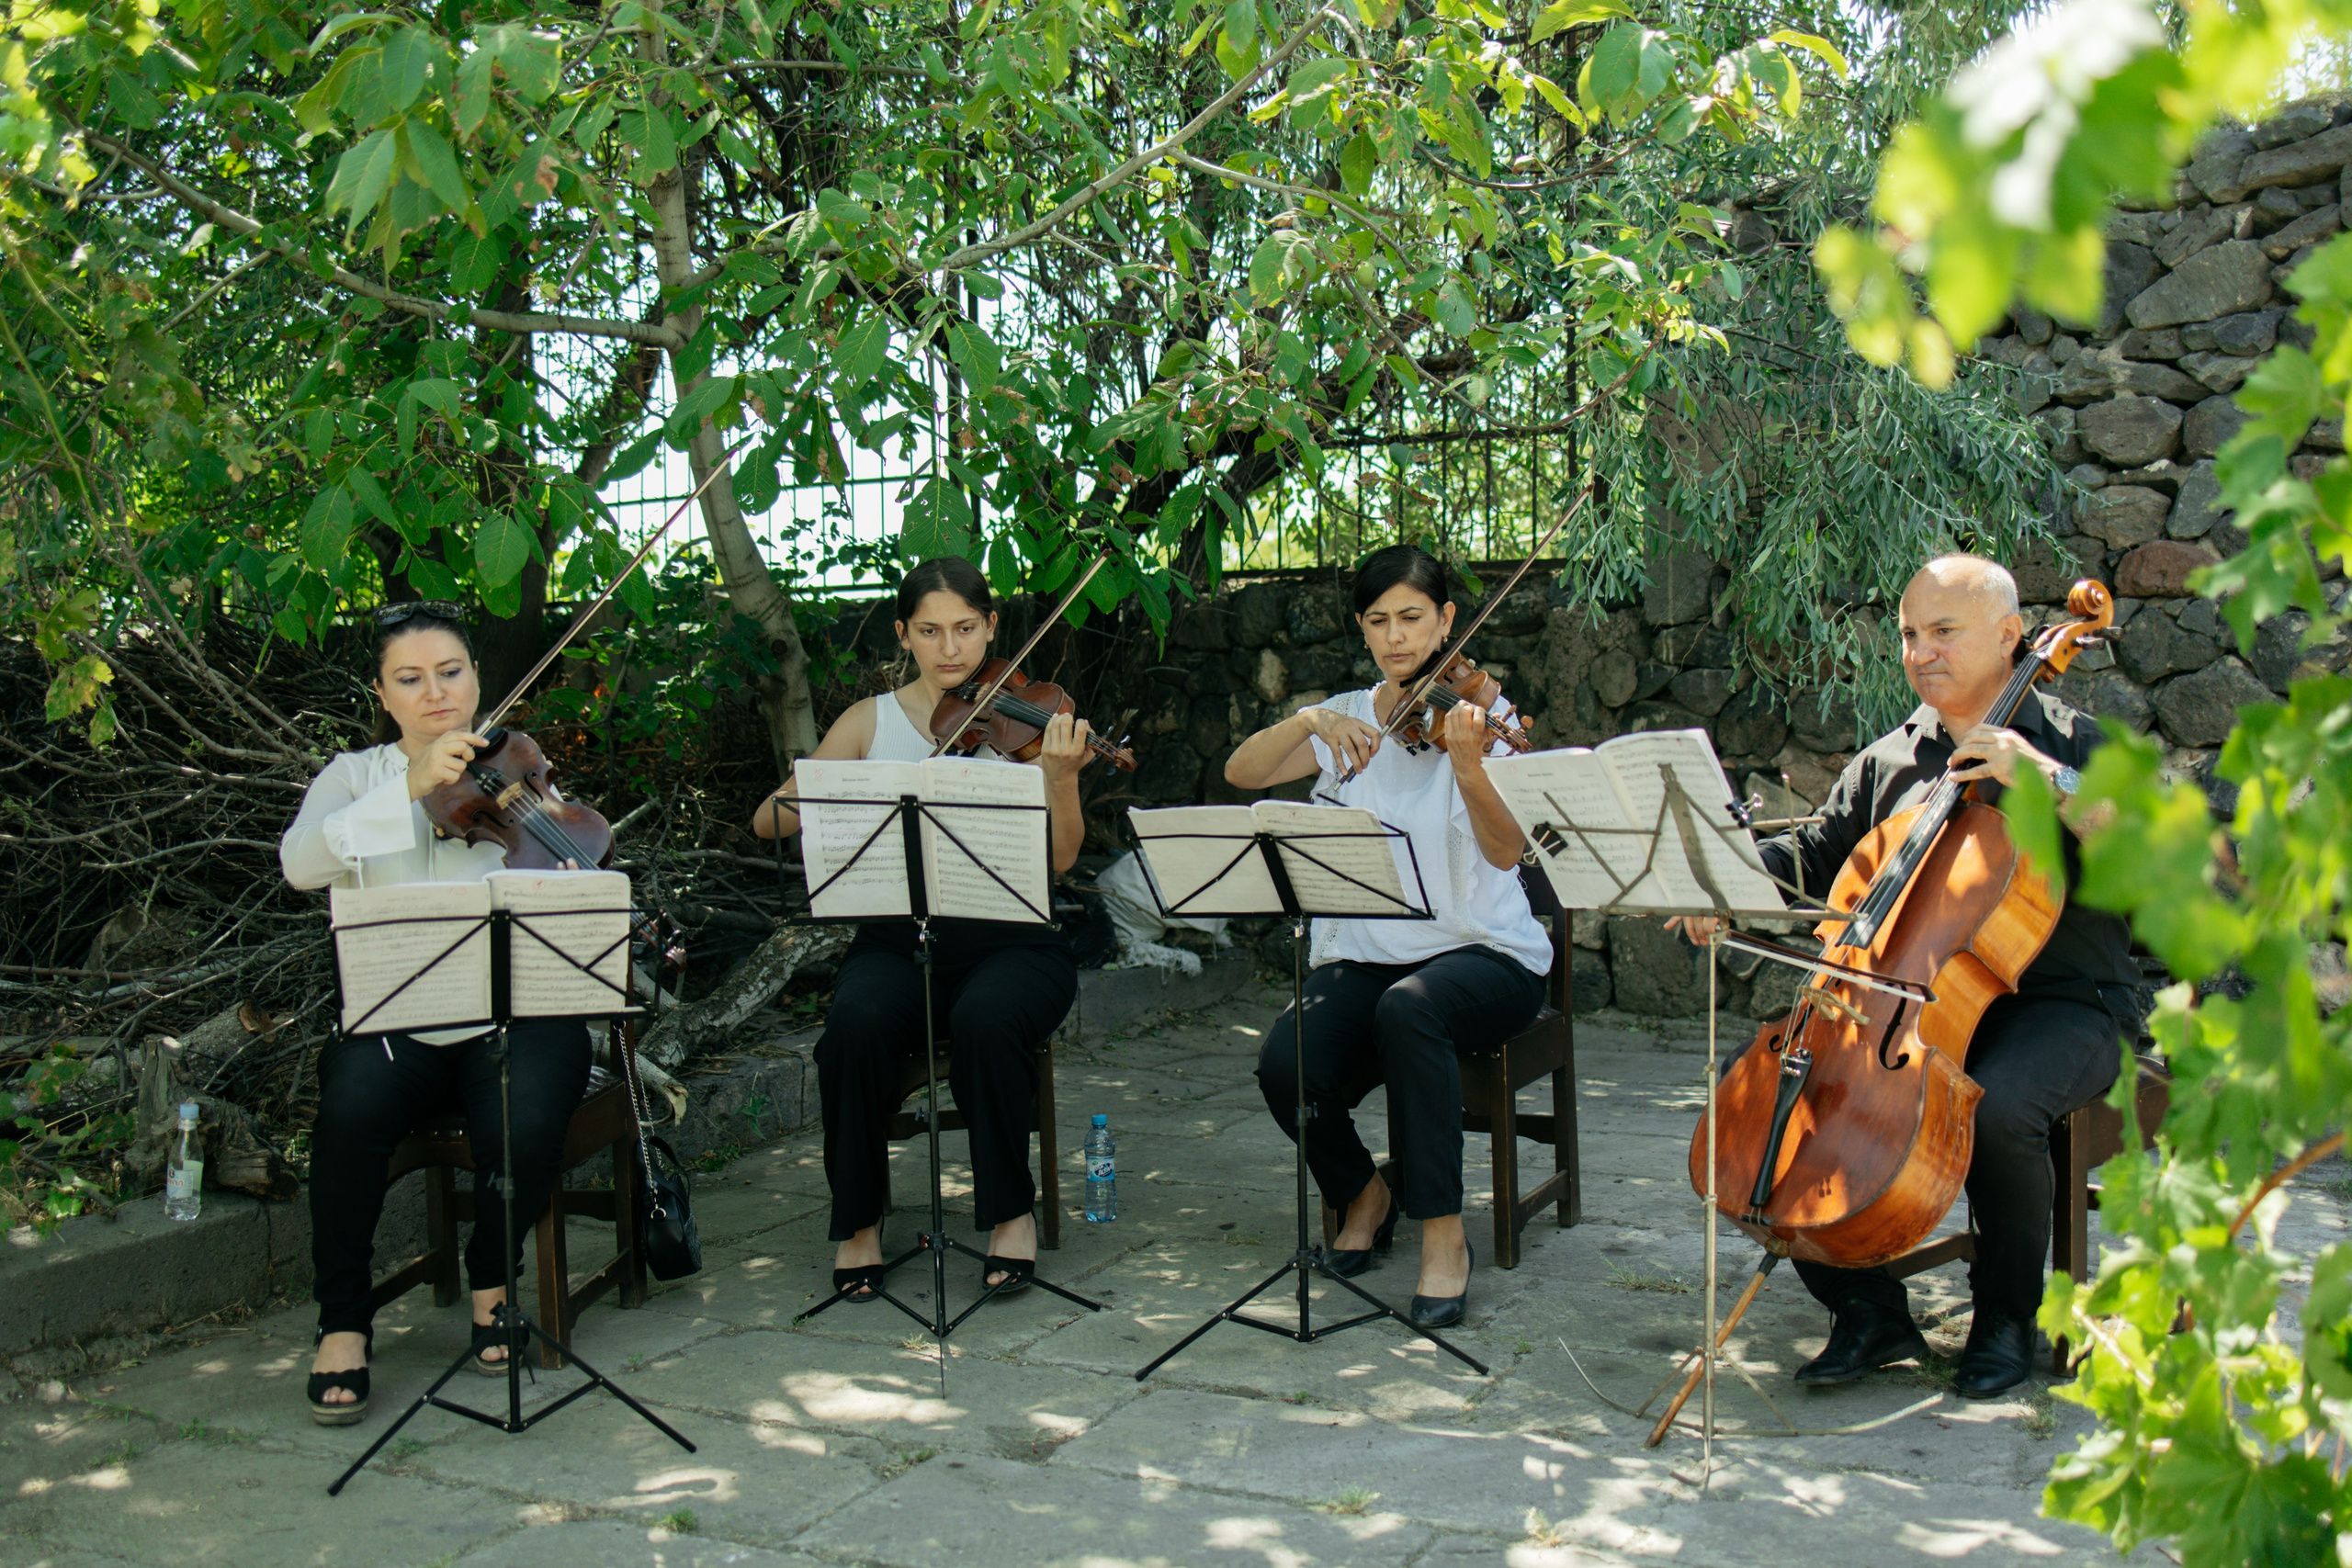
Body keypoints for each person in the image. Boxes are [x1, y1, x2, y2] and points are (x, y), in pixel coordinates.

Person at [1668, 554, 2139, 1400]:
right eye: (1910, 635)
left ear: (2009, 635)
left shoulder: (2076, 741)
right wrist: (1722, 883)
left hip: (2065, 1003)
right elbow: (1811, 852)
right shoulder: (1894, 759)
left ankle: (2004, 1316)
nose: (1921, 652)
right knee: (1770, 1103)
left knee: (1998, 1107)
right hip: (1905, 1003)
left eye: (1943, 632)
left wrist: (2047, 778)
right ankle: (1868, 1310)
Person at [1221, 545, 1551, 1330]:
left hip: (1486, 953)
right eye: (1378, 620)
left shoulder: (1481, 715)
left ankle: (1444, 1235)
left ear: (1445, 620)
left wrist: (1469, 765)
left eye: (1412, 617)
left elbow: (1509, 852)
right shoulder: (1347, 714)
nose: (1397, 636)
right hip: (1367, 954)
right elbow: (1242, 772)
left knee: (1413, 1010)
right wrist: (1309, 719)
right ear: (1362, 628)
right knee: (1284, 1061)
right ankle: (1362, 1189)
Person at [280, 602, 592, 1426]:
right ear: (383, 693)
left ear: (477, 677)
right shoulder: (353, 779)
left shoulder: (514, 767)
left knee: (529, 1111)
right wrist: (408, 791)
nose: (435, 693)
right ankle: (343, 1319)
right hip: (397, 1022)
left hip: (513, 1014)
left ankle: (492, 1273)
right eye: (410, 679)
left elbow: (575, 875)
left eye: (450, 672)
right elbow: (303, 865)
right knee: (348, 1111)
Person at [753, 557, 1090, 1302]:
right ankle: (861, 1220)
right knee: (853, 1024)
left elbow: (1062, 859)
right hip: (898, 942)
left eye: (967, 629)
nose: (951, 650)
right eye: (931, 632)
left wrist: (1061, 778)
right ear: (904, 635)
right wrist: (827, 792)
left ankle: (1010, 1213)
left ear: (992, 627)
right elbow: (767, 818)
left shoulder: (1027, 719)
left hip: (1016, 941)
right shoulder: (868, 721)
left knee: (987, 1015)